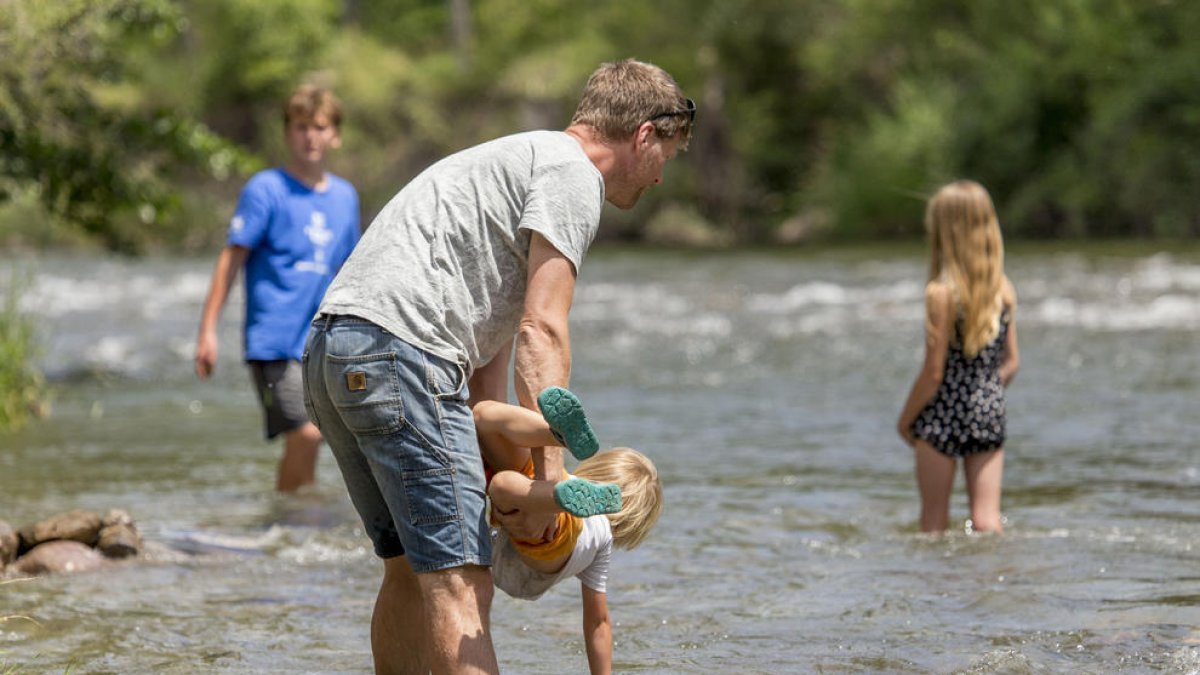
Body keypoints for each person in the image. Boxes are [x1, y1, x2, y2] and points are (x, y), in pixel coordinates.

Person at [301, 59, 693, 674]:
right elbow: (543, 327)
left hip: (335, 349)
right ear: (645, 135)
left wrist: (504, 467)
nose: (661, 178)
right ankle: (554, 459)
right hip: (406, 352)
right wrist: (550, 488)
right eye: (667, 154)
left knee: (408, 568)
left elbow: (489, 371)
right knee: (462, 585)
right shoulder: (573, 177)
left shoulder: (518, 159)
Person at [195, 84, 360, 493]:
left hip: (323, 340)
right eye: (301, 126)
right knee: (306, 435)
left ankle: (295, 520)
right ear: (288, 132)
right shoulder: (266, 189)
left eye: (319, 127)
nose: (310, 136)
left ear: (334, 135)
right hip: (273, 340)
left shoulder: (345, 197)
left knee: (322, 439)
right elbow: (231, 258)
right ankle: (290, 520)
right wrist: (207, 332)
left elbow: (351, 270)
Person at [473, 393, 663, 675]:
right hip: (550, 525)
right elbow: (598, 623)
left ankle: (554, 436)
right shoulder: (603, 540)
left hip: (556, 502)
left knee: (483, 416)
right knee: (501, 484)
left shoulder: (595, 528)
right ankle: (553, 486)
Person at [896, 180, 1020, 534]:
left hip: (941, 415)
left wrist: (905, 421)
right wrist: (985, 395)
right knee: (986, 520)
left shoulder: (941, 294)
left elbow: (934, 373)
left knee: (933, 524)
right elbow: (1011, 362)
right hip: (988, 412)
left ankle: (938, 590)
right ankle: (990, 581)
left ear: (943, 231)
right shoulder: (1003, 288)